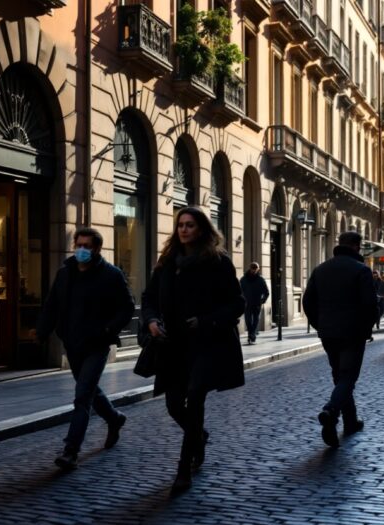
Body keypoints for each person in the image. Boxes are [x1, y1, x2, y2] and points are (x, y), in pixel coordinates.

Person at [141, 207, 245, 492]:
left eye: (190, 225)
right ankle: (199, 436)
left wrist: (206, 320)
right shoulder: (166, 263)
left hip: (206, 344)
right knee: (174, 405)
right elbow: (148, 297)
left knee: (196, 398)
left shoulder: (218, 262)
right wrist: (150, 320)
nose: (184, 230)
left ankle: (183, 469)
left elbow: (237, 303)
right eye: (180, 225)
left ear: (202, 229)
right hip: (172, 345)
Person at [36, 227, 135, 470]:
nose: (81, 250)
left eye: (86, 246)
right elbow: (52, 305)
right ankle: (114, 418)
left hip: (97, 344)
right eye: (78, 245)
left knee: (82, 397)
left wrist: (107, 330)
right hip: (72, 342)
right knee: (89, 389)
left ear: (97, 249)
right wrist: (42, 331)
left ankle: (71, 451)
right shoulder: (64, 273)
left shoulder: (111, 275)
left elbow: (127, 308)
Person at [303, 231, 377, 448]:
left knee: (340, 377)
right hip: (353, 334)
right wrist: (366, 328)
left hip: (328, 333)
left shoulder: (321, 269)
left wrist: (320, 324)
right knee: (347, 378)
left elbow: (308, 302)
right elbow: (370, 305)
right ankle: (331, 411)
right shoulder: (361, 270)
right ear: (356, 246)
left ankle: (350, 421)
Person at [239, 262, 269, 345]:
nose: (254, 270)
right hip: (247, 303)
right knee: (248, 320)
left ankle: (251, 334)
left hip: (257, 303)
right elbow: (239, 291)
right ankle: (251, 333)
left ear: (258, 269)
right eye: (252, 268)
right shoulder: (244, 279)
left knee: (256, 320)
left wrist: (262, 300)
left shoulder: (260, 279)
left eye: (255, 268)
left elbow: (266, 292)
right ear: (250, 268)